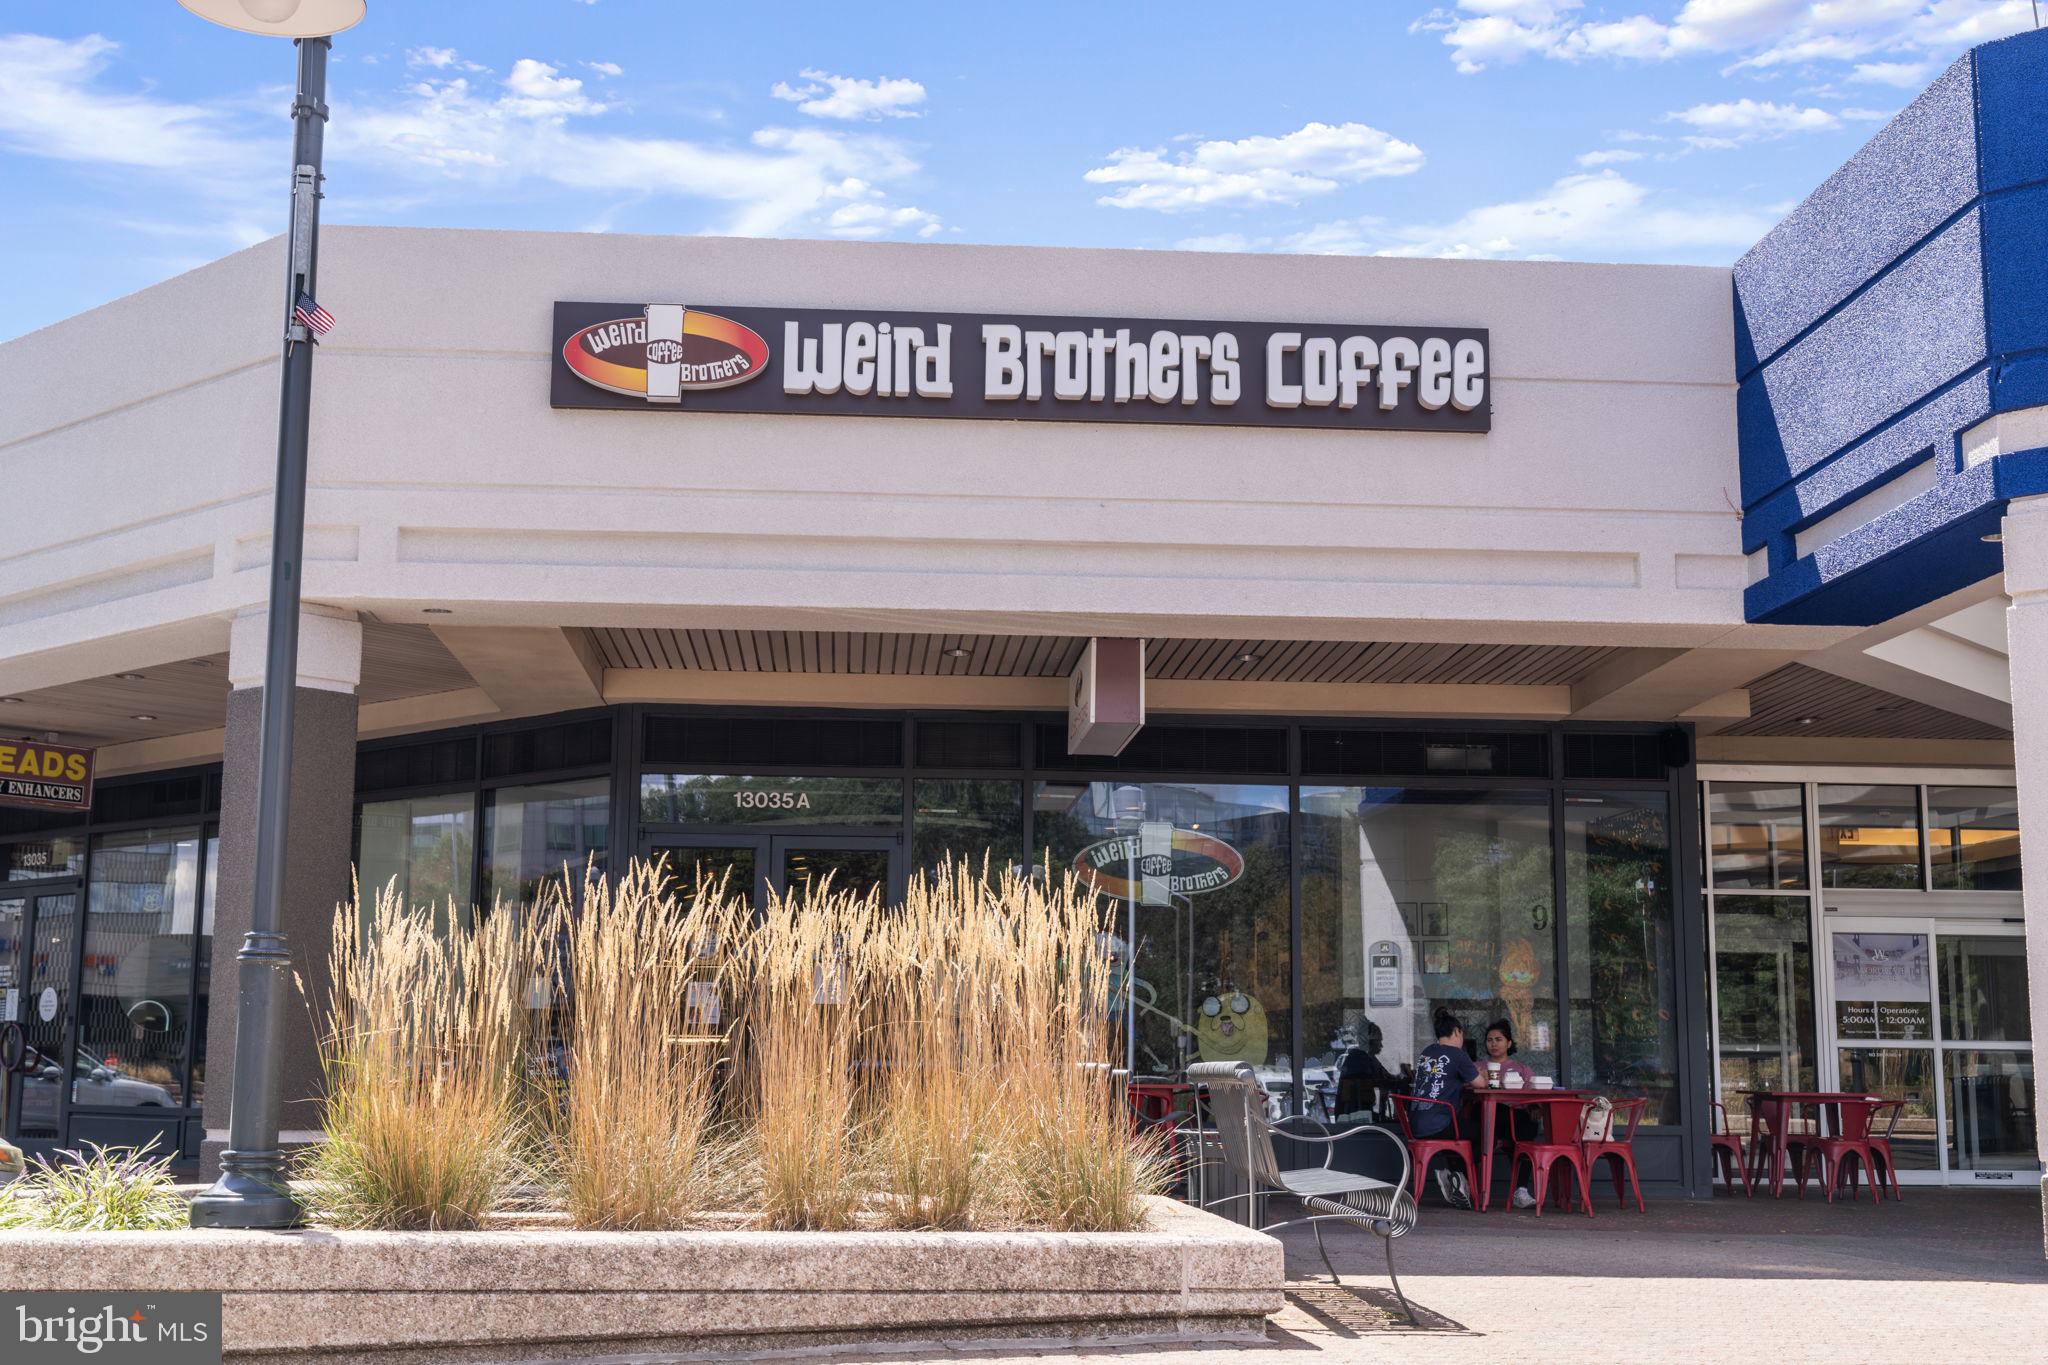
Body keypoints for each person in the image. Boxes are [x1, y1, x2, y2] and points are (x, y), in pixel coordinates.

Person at [1412, 1008, 1485, 1208]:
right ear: (1457, 1032)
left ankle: (1456, 1179)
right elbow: (1480, 1084)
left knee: (1462, 1131)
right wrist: (1482, 1074)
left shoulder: (1427, 1052)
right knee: (1484, 1134)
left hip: (1416, 1123)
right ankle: (1459, 1177)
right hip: (1439, 1123)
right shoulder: (1458, 1055)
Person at [1484, 1018, 1539, 1209]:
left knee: (1527, 1134)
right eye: (1489, 1040)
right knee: (1498, 1110)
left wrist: (1535, 1107)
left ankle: (1521, 1191)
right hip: (1488, 1120)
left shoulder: (1522, 1069)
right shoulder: (1478, 1068)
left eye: (1498, 1039)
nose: (1493, 1044)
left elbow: (1534, 1094)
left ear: (1508, 1043)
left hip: (1516, 1120)